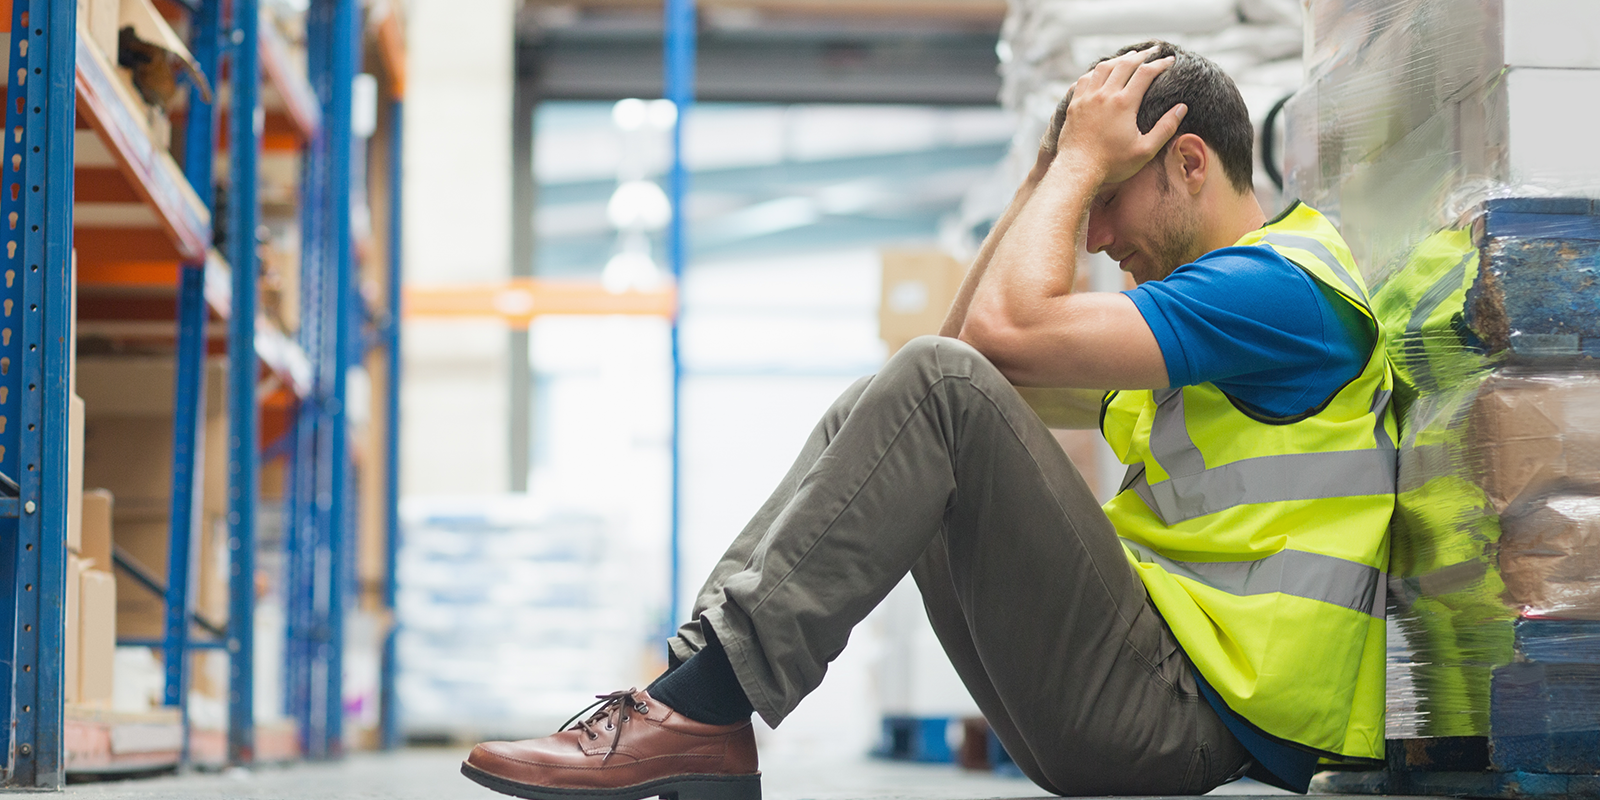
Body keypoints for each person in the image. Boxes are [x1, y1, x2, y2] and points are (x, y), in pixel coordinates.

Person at [461, 39, 1396, 800]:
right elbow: (952, 364)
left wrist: (1076, 162)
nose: (1098, 238)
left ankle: (699, 711)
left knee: (934, 387)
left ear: (1190, 164)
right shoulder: (1219, 314)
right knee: (882, 403)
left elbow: (979, 352)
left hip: (1190, 720)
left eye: (1108, 200)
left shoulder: (1281, 291)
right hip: (1149, 702)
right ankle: (696, 703)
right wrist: (1051, 171)